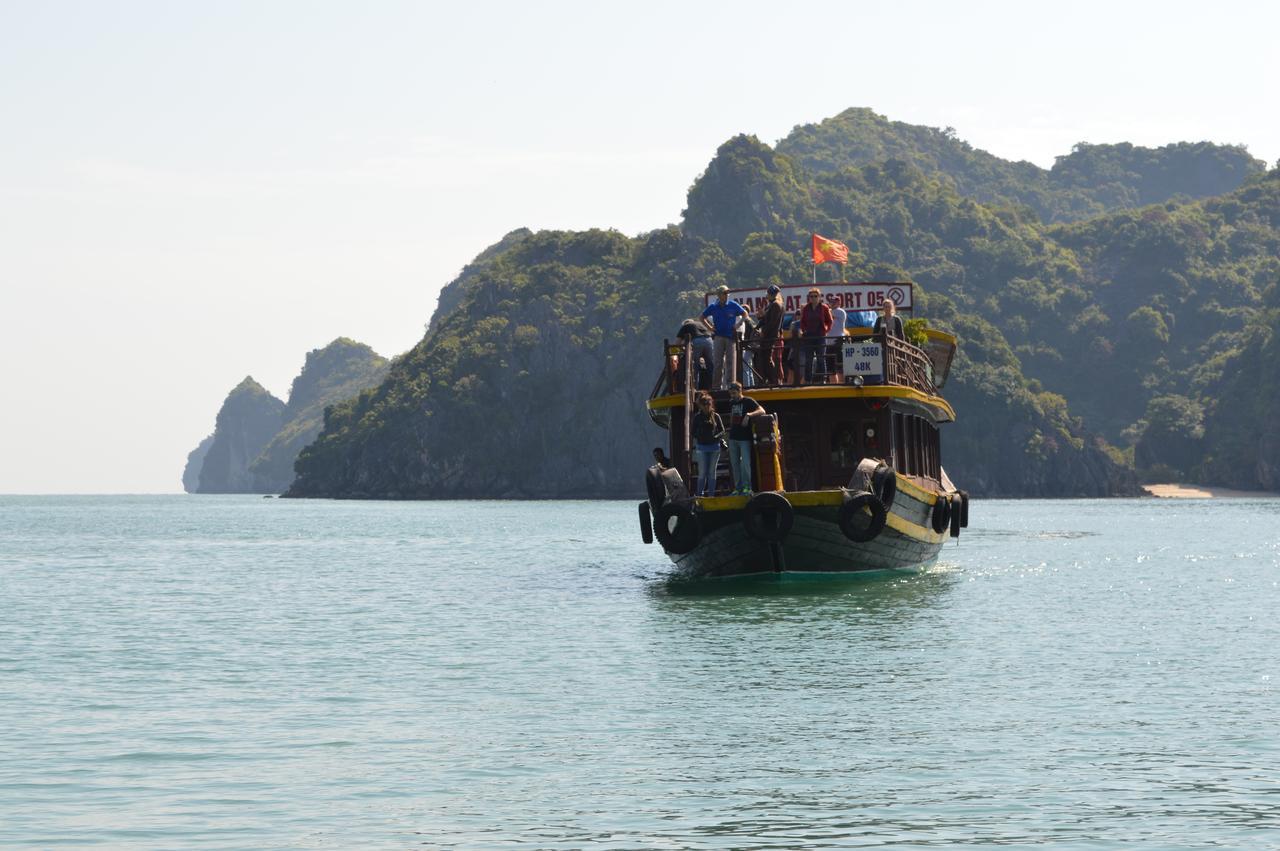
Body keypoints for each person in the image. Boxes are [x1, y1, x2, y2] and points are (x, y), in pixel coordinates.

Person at [700, 284, 747, 389]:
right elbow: (702, 317)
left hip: (731, 337)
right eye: (725, 293)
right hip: (718, 337)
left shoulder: (733, 305)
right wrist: (710, 328)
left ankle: (730, 385)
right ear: (719, 295)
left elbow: (745, 314)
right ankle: (717, 386)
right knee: (717, 362)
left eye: (727, 293)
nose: (727, 295)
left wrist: (738, 324)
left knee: (730, 362)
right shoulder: (713, 307)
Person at [726, 381, 767, 495]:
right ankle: (737, 488)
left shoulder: (748, 401)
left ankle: (747, 487)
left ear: (740, 391)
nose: (732, 396)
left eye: (734, 393)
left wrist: (749, 415)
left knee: (745, 464)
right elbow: (731, 417)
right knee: (735, 464)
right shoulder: (731, 403)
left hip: (744, 438)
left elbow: (762, 410)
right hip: (733, 437)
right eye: (731, 394)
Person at [690, 392, 725, 497]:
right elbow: (692, 432)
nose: (706, 406)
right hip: (702, 447)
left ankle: (711, 495)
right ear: (700, 405)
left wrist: (716, 437)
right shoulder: (697, 417)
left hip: (714, 447)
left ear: (711, 404)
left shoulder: (716, 416)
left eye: (708, 404)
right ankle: (700, 494)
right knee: (702, 471)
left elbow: (722, 430)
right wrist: (699, 436)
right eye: (704, 404)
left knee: (711, 471)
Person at [796, 287, 833, 383]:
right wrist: (803, 330)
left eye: (815, 296)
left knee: (821, 358)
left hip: (820, 336)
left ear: (819, 297)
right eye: (811, 296)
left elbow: (829, 321)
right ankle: (808, 380)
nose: (813, 298)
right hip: (809, 336)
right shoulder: (806, 308)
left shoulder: (824, 307)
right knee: (809, 360)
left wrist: (826, 330)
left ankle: (823, 379)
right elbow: (803, 322)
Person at [756, 285, 785, 385]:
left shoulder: (776, 305)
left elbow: (773, 323)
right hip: (767, 335)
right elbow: (765, 320)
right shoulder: (771, 305)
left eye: (769, 293)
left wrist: (763, 332)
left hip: (770, 336)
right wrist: (758, 325)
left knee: (767, 358)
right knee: (763, 358)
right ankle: (767, 379)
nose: (767, 295)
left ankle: (773, 380)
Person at [675, 317, 714, 390]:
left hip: (697, 341)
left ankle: (694, 388)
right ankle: (714, 386)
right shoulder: (700, 323)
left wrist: (684, 350)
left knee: (694, 367)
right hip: (709, 341)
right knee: (710, 365)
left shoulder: (685, 326)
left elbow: (677, 343)